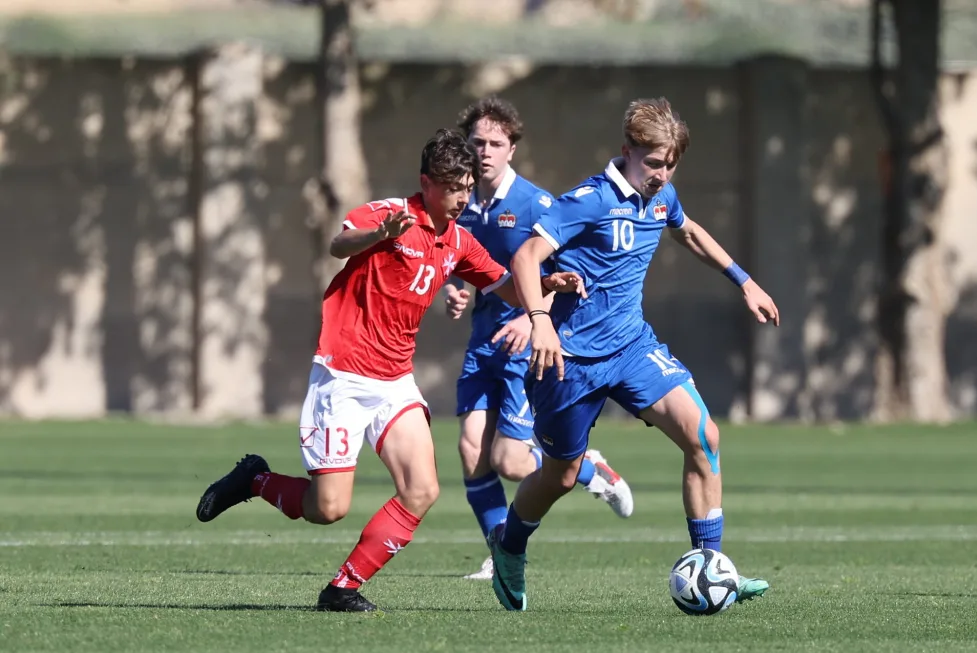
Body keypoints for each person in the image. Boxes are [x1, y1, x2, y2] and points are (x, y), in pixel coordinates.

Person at [195, 128, 585, 613]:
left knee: (422, 489)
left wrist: (548, 284)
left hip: (395, 383)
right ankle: (254, 480)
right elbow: (339, 244)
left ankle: (342, 588)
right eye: (451, 186)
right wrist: (380, 236)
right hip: (343, 375)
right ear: (426, 183)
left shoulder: (459, 240)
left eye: (466, 186)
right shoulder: (389, 215)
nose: (461, 197)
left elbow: (504, 284)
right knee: (327, 508)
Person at [487, 98, 781, 611]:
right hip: (569, 361)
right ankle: (509, 545)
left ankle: (711, 567)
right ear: (627, 151)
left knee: (703, 436)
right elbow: (526, 256)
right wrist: (539, 323)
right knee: (559, 473)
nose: (661, 175)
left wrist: (745, 281)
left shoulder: (662, 195)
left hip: (631, 347)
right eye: (653, 163)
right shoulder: (590, 199)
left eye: (670, 165)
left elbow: (687, 231)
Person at [441, 97, 634, 581]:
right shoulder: (460, 205)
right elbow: (466, 266)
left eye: (494, 143)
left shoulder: (536, 205)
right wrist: (456, 290)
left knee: (508, 459)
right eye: (476, 143)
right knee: (470, 451)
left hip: (526, 348)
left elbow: (568, 280)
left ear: (512, 149)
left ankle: (590, 469)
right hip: (482, 343)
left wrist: (532, 319)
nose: (484, 151)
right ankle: (499, 551)